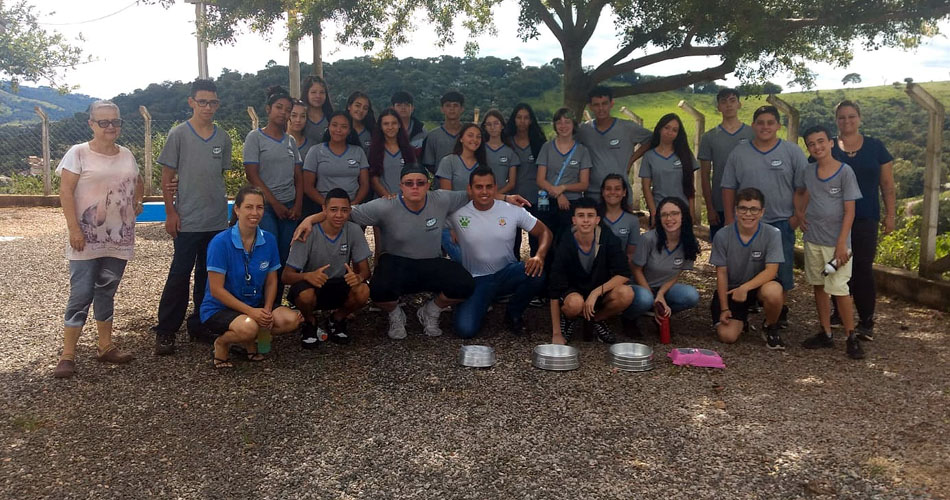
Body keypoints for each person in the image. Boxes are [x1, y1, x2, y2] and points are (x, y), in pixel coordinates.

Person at [294, 164, 527, 340]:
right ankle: (396, 314)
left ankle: (430, 311)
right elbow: (344, 211)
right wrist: (310, 219)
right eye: (409, 183)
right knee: (377, 289)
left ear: (428, 185)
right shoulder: (385, 206)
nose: (415, 187)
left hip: (431, 262)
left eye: (420, 182)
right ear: (401, 186)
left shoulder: (441, 199)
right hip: (397, 263)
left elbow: (477, 194)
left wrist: (506, 197)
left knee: (465, 284)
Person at [53, 100, 144, 378]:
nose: (110, 127)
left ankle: (105, 346)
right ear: (91, 124)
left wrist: (137, 201)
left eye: (115, 122)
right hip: (86, 238)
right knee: (81, 293)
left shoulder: (127, 155)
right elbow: (66, 192)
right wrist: (74, 229)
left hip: (118, 238)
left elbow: (138, 181)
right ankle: (68, 355)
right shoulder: (78, 153)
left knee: (107, 289)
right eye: (103, 122)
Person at [152, 79, 233, 356]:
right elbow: (167, 177)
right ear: (191, 102)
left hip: (216, 220)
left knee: (208, 275)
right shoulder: (179, 134)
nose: (208, 107)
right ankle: (166, 330)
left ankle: (200, 323)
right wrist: (170, 212)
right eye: (202, 102)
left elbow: (217, 176)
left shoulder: (223, 138)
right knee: (179, 274)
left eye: (213, 102)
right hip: (187, 219)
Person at [721, 105, 807, 327]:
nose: (765, 127)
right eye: (760, 123)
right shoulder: (739, 153)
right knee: (744, 269)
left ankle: (777, 316)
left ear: (778, 125)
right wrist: (730, 219)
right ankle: (742, 306)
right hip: (746, 223)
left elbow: (804, 187)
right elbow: (728, 187)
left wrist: (796, 217)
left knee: (781, 272)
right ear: (753, 126)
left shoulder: (792, 151)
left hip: (781, 222)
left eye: (770, 122)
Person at [202, 186, 303, 368]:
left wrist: (267, 310)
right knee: (249, 327)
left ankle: (253, 342)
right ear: (237, 209)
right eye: (249, 207)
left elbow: (271, 280)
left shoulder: (269, 240)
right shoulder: (220, 242)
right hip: (220, 308)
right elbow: (216, 290)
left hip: (255, 304)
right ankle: (222, 343)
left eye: (260, 207)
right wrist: (251, 312)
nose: (255, 213)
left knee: (292, 320)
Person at [450, 167, 552, 338]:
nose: (484, 191)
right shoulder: (457, 214)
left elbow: (545, 232)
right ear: (470, 189)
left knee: (536, 272)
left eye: (489, 186)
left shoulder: (511, 209)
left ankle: (513, 314)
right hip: (476, 280)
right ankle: (478, 303)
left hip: (505, 274)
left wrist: (539, 256)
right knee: (465, 330)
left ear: (495, 188)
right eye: (479, 187)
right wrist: (450, 231)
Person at [829, 100, 895, 341]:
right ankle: (838, 313)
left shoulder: (876, 147)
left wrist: (890, 215)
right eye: (842, 117)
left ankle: (866, 320)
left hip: (866, 216)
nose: (847, 121)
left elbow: (887, 184)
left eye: (851, 116)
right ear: (836, 121)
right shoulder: (829, 147)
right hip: (833, 218)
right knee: (835, 265)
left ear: (859, 118)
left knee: (863, 269)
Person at [799, 126, 865, 359]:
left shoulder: (845, 172)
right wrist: (800, 214)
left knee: (839, 288)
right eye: (811, 144)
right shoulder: (809, 171)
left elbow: (850, 211)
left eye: (821, 141)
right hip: (813, 239)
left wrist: (841, 243)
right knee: (819, 285)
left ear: (831, 143)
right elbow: (804, 193)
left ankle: (851, 336)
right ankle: (825, 332)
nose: (817, 147)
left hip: (836, 243)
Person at [283, 188, 371, 347]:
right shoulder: (307, 232)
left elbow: (366, 271)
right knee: (305, 295)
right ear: (324, 209)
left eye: (344, 210)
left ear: (350, 211)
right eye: (333, 209)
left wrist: (358, 277)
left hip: (339, 282)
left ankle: (337, 319)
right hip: (313, 285)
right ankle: (309, 322)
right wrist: (307, 276)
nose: (339, 215)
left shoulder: (354, 230)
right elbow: (286, 276)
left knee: (363, 290)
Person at [243, 85, 304, 305]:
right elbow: (252, 175)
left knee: (283, 255)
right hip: (265, 207)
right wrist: (274, 204)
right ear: (268, 109)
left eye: (288, 110)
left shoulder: (290, 142)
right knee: (266, 253)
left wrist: (297, 205)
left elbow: (298, 176)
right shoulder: (255, 138)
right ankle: (257, 304)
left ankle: (275, 303)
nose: (283, 113)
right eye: (279, 107)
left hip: (289, 207)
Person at [548, 197, 633, 345]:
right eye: (581, 216)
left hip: (600, 292)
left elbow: (624, 273)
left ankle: (596, 320)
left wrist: (596, 292)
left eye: (590, 216)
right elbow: (554, 290)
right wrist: (556, 333)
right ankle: (569, 319)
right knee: (575, 303)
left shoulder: (609, 238)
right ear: (574, 220)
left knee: (626, 293)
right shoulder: (565, 242)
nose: (586, 220)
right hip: (573, 293)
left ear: (597, 220)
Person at [710, 188, 786, 349]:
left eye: (754, 209)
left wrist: (745, 288)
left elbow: (771, 271)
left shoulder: (773, 234)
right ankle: (741, 320)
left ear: (762, 212)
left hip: (758, 286)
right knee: (727, 336)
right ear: (736, 210)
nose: (748, 214)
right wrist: (724, 308)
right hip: (732, 290)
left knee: (774, 291)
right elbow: (721, 274)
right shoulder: (722, 236)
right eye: (743, 208)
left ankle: (770, 326)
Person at [624, 197, 701, 340]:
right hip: (639, 286)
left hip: (664, 288)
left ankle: (660, 315)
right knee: (645, 299)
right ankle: (629, 318)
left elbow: (677, 273)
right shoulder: (648, 239)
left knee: (691, 295)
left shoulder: (689, 241)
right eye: (664, 215)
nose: (669, 218)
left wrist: (660, 294)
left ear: (683, 216)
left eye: (674, 213)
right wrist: (652, 296)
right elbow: (635, 269)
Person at [577, 86, 652, 202]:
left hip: (620, 194)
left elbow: (652, 139)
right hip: (593, 194)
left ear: (611, 103)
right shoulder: (584, 129)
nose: (601, 108)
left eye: (604, 103)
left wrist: (631, 161)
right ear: (590, 107)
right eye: (596, 105)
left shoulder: (627, 128)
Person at [698, 88, 755, 239]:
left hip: (749, 203)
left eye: (732, 100)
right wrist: (710, 208)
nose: (728, 105)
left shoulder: (752, 134)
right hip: (719, 204)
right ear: (718, 107)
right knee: (722, 248)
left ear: (739, 104)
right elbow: (704, 175)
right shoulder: (709, 137)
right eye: (723, 102)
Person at [536, 107, 591, 242]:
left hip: (572, 203)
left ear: (573, 124)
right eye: (559, 122)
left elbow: (584, 184)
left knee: (568, 242)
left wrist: (564, 187)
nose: (563, 126)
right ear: (555, 125)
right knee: (547, 240)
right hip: (548, 202)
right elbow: (540, 179)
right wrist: (559, 194)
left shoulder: (582, 151)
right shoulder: (547, 147)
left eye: (567, 122)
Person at [598, 174, 642, 334]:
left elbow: (631, 254)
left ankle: (614, 317)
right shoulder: (594, 216)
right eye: (608, 189)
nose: (612, 192)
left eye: (617, 189)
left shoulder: (632, 220)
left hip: (619, 273)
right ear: (602, 192)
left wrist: (625, 278)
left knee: (635, 296)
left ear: (624, 192)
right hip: (596, 272)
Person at [303, 111, 370, 210]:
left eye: (344, 127)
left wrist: (352, 205)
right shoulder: (315, 151)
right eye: (334, 125)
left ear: (349, 130)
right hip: (323, 207)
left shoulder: (358, 151)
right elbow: (308, 186)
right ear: (328, 127)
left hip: (352, 207)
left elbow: (365, 184)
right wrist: (328, 205)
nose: (338, 130)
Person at [639, 113, 699, 225]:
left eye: (674, 130)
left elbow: (690, 186)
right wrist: (654, 213)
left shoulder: (685, 154)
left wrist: (691, 213)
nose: (670, 132)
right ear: (660, 128)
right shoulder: (649, 156)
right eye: (667, 128)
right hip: (661, 210)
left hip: (682, 211)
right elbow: (646, 187)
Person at [506, 103, 547, 257]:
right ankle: (513, 269)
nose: (522, 121)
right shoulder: (507, 142)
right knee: (512, 240)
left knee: (535, 240)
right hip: (513, 199)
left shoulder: (538, 143)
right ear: (514, 119)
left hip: (535, 198)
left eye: (526, 118)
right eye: (519, 117)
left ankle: (536, 269)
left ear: (531, 120)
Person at [369, 108, 417, 198]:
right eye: (386, 124)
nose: (390, 127)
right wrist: (388, 197)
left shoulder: (408, 150)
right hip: (383, 200)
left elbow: (413, 176)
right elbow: (374, 179)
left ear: (399, 125)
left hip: (406, 199)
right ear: (380, 127)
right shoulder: (374, 150)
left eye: (394, 123)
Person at [421, 91, 465, 173]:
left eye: (455, 105)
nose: (452, 109)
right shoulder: (433, 136)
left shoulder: (469, 134)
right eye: (448, 105)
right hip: (440, 180)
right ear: (442, 109)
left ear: (462, 109)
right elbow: (429, 164)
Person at [436, 123, 486, 191]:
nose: (475, 139)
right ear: (461, 138)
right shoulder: (448, 161)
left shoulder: (482, 163)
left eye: (478, 137)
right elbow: (446, 194)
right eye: (470, 135)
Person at [480, 109, 519, 194]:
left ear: (502, 126)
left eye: (496, 123)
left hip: (502, 197)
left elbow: (511, 183)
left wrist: (496, 195)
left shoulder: (510, 152)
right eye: (489, 124)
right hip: (482, 195)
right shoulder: (480, 149)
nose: (492, 127)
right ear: (485, 127)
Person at [302, 75, 333, 145]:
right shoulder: (299, 117)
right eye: (313, 92)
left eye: (322, 92)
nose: (318, 96)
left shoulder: (331, 118)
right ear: (306, 93)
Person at [288, 98, 316, 164]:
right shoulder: (278, 143)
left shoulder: (312, 146)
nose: (298, 120)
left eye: (303, 116)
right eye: (294, 116)